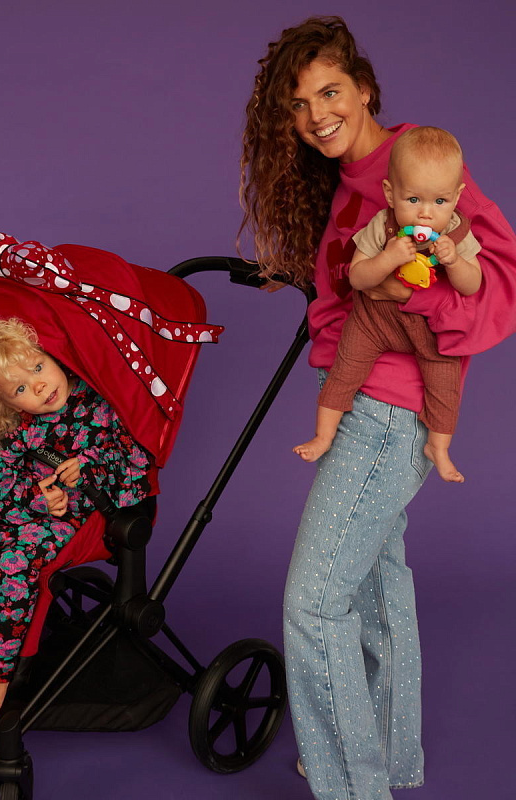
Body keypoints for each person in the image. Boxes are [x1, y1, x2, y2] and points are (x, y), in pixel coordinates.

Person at [239, 15, 516, 800]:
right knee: (373, 586)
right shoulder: (353, 182)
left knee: (314, 605)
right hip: (364, 399)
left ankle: (354, 788)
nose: (316, 115)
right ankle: (389, 757)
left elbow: (492, 283)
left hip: (387, 414)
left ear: (365, 89)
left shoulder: (417, 165)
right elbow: (354, 275)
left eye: (330, 92)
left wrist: (409, 296)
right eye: (299, 105)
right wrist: (315, 281)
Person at [0, 317, 151, 725]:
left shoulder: (98, 407)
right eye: (20, 389)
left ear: (55, 356)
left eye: (38, 367)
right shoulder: (12, 425)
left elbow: (134, 464)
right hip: (17, 511)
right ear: (7, 402)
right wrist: (36, 497)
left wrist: (87, 471)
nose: (38, 386)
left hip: (80, 517)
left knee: (11, 565)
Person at [294, 127, 482, 483]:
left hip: (427, 330)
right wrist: (387, 258)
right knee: (344, 371)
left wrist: (455, 261)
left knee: (445, 384)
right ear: (390, 193)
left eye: (440, 202)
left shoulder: (457, 232)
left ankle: (439, 448)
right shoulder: (382, 225)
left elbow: (472, 285)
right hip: (374, 322)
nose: (426, 214)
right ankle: (323, 436)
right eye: (414, 200)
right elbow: (358, 277)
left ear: (457, 197)